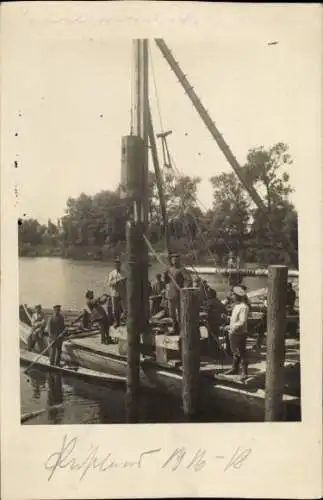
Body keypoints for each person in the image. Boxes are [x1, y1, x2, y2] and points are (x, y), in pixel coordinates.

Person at [224, 286, 250, 380]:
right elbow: (235, 319)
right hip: (233, 333)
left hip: (239, 333)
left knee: (241, 352)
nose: (232, 297)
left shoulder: (243, 307)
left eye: (233, 295)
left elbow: (242, 321)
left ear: (238, 296)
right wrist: (228, 319)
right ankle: (234, 368)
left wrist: (230, 326)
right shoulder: (236, 305)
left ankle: (244, 372)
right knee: (235, 352)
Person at [165, 253, 188, 335]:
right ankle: (175, 328)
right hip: (170, 294)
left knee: (180, 312)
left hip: (179, 294)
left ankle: (182, 329)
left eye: (176, 259)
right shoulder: (169, 269)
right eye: (173, 259)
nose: (174, 261)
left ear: (179, 260)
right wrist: (165, 275)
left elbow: (188, 280)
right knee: (171, 313)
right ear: (171, 260)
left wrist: (184, 289)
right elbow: (166, 281)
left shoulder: (182, 269)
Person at [107, 258, 125, 327]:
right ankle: (117, 322)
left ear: (120, 265)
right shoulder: (112, 273)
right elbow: (108, 283)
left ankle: (122, 320)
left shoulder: (123, 272)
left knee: (124, 309)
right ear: (115, 265)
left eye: (119, 264)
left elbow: (126, 281)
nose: (117, 265)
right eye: (116, 264)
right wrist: (115, 282)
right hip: (114, 293)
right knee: (115, 309)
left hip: (122, 293)